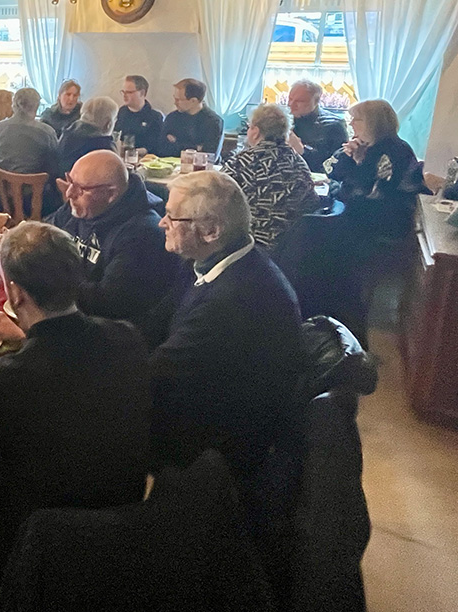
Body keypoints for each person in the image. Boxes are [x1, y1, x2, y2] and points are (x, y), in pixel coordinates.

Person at [0, 221, 151, 585]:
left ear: (16, 292)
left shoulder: (1, 378)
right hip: (123, 518)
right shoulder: (128, 337)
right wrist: (25, 334)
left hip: (37, 541)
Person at [152, 171, 305, 598]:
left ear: (211, 230)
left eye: (171, 217)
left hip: (219, 449)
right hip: (221, 413)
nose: (162, 223)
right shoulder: (222, 264)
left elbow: (154, 374)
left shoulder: (233, 300)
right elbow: (158, 325)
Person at [47, 150, 185, 345]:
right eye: (69, 181)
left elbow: (107, 303)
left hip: (115, 340)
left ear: (111, 193)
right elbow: (44, 235)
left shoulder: (143, 233)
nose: (69, 193)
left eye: (81, 188)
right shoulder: (81, 207)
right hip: (75, 315)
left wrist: (46, 278)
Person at [328, 99, 430, 244]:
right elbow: (329, 170)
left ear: (374, 123)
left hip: (382, 223)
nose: (351, 124)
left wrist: (357, 164)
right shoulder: (363, 146)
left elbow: (371, 193)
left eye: (357, 119)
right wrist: (347, 157)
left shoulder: (395, 150)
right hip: (360, 215)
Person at [221, 103, 319, 250]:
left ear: (255, 131)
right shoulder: (297, 161)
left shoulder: (244, 161)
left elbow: (215, 194)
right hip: (295, 245)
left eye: (249, 127)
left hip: (253, 243)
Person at [0, 87, 59, 181]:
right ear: (36, 106)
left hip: (0, 188)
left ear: (14, 105)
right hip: (35, 190)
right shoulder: (47, 132)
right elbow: (54, 168)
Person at [286, 80, 349, 173]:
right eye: (290, 99)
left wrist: (302, 150)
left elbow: (337, 165)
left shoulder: (334, 125)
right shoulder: (283, 121)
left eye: (300, 101)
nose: (291, 104)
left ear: (316, 101)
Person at [158, 78, 224, 158]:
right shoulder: (172, 117)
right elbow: (162, 149)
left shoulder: (213, 122)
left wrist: (176, 142)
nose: (175, 103)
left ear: (193, 101)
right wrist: (196, 148)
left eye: (178, 99)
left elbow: (209, 156)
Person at [57, 96, 117, 176]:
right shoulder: (104, 145)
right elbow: (117, 176)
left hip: (63, 185)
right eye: (115, 119)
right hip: (87, 187)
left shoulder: (67, 133)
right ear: (108, 124)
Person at [113, 75, 164, 156]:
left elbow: (156, 146)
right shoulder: (122, 112)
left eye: (129, 92)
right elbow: (116, 135)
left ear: (142, 93)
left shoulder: (154, 117)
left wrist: (134, 152)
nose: (124, 95)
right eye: (123, 92)